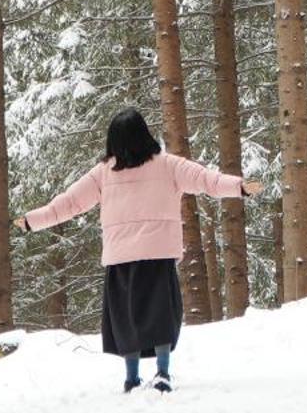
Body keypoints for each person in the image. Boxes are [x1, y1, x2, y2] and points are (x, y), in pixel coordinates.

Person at [17, 107, 262, 393]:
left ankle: (131, 377)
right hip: (158, 254)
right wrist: (240, 187)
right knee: (161, 316)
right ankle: (162, 373)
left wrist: (32, 221)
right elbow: (207, 180)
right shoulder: (168, 165)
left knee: (126, 319)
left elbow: (68, 203)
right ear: (145, 135)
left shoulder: (103, 174)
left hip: (121, 258)